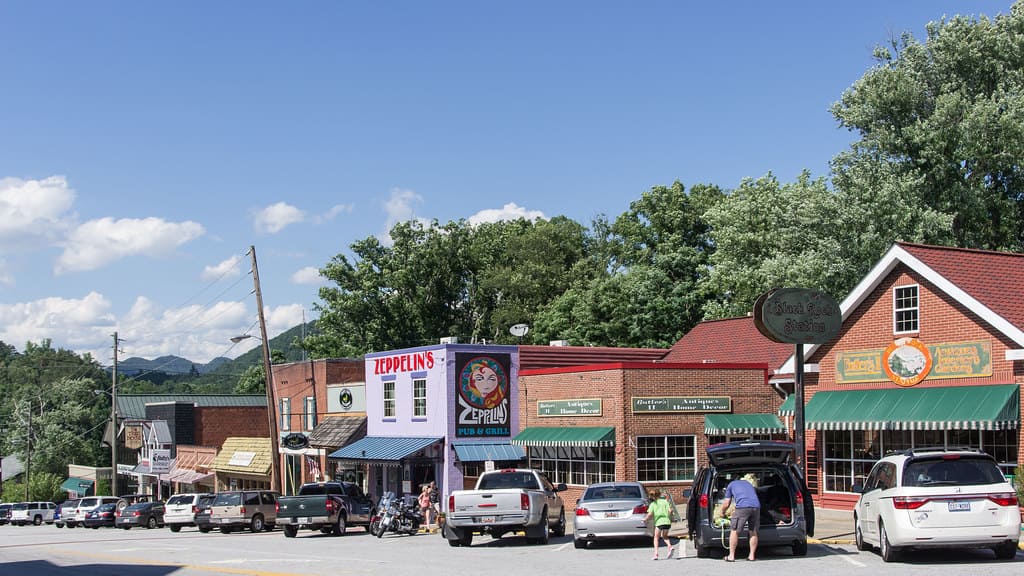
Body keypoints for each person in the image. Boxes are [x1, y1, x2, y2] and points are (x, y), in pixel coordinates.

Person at [720, 473, 761, 562]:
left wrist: (722, 512)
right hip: (756, 506)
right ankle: (752, 556)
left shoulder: (731, 485)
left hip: (743, 507)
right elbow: (747, 497)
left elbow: (727, 503)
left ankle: (731, 556)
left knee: (734, 531)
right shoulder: (748, 484)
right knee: (753, 531)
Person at [643, 490, 674, 560]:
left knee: (656, 538)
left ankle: (656, 554)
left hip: (659, 523)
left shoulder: (653, 504)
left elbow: (650, 514)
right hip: (667, 522)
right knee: (665, 536)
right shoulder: (665, 502)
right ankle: (670, 546)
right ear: (659, 495)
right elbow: (670, 511)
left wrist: (645, 519)